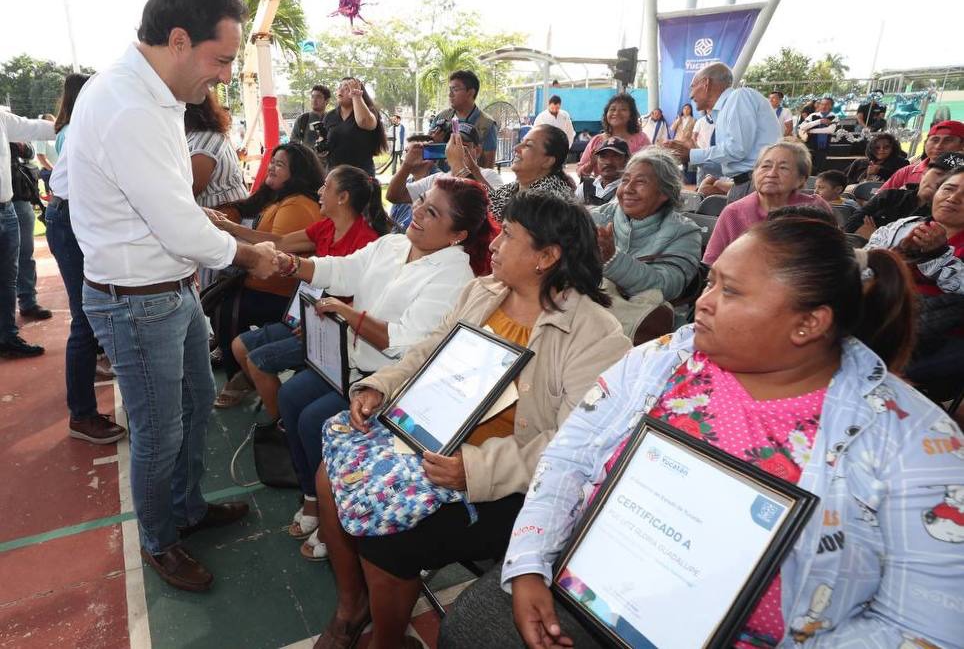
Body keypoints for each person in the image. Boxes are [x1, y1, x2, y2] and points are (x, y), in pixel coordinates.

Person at [441, 217, 963, 649]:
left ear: (808, 324)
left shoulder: (913, 444)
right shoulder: (663, 360)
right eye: (710, 281)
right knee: (469, 628)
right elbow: (569, 457)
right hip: (592, 592)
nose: (704, 302)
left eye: (729, 291)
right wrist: (531, 563)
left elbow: (923, 627)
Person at [313, 192, 631, 649]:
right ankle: (351, 607)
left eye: (510, 236)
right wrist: (380, 385)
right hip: (431, 434)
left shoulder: (596, 336)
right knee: (330, 475)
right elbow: (428, 350)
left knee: (390, 542)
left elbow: (570, 447)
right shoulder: (482, 291)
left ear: (546, 257)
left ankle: (387, 639)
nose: (495, 245)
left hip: (506, 479)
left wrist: (475, 470)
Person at [69, 0, 280, 591]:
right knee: (159, 432)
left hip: (169, 292)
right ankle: (160, 539)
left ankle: (186, 509)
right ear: (180, 40)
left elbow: (175, 205)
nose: (221, 74)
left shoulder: (153, 94)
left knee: (191, 409)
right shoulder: (129, 104)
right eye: (220, 60)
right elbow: (176, 227)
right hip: (137, 305)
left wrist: (216, 223)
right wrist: (251, 254)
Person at [270, 177, 497, 554]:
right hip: (352, 363)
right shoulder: (394, 243)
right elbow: (342, 270)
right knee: (291, 397)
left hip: (391, 383)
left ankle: (335, 518)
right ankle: (313, 494)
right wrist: (293, 264)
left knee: (314, 419)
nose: (418, 213)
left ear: (457, 234)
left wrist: (347, 312)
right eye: (422, 201)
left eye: (433, 212)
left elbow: (404, 341)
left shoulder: (455, 277)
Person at [226, 165, 388, 419]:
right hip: (310, 315)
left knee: (258, 361)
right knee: (239, 346)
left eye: (326, 187)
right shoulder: (325, 228)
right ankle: (281, 417)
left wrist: (322, 323)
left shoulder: (366, 242)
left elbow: (366, 303)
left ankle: (281, 424)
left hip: (336, 328)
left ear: (343, 197)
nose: (320, 192)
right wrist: (230, 227)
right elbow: (279, 242)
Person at [41, 74, 126, 444]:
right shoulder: (98, 122)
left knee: (88, 315)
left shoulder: (92, 119)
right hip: (70, 217)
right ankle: (82, 414)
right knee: (85, 318)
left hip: (70, 215)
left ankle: (83, 409)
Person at [208, 142, 324, 396]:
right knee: (222, 297)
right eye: (272, 161)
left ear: (297, 173)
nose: (271, 166)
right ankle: (235, 362)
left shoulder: (297, 204)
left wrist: (230, 231)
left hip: (284, 293)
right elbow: (251, 216)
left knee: (228, 305)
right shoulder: (276, 197)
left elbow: (277, 254)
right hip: (265, 283)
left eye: (280, 164)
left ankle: (239, 377)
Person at [865, 167, 964, 392]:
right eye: (948, 189)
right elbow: (863, 268)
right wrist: (898, 254)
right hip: (883, 317)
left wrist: (938, 256)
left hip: (941, 335)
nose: (953, 198)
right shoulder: (902, 226)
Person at [592, 148, 701, 334]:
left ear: (664, 192)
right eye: (625, 180)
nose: (628, 189)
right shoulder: (598, 217)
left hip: (646, 330)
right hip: (591, 318)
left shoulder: (684, 232)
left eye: (640, 182)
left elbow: (667, 286)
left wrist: (612, 259)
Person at [663, 62, 781, 203]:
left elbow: (737, 149)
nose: (690, 95)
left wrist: (692, 154)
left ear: (706, 83)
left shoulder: (739, 97)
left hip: (755, 185)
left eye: (692, 87)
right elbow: (726, 167)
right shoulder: (724, 111)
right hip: (744, 185)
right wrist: (690, 155)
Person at [703, 141, 832, 264]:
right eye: (765, 166)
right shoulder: (733, 213)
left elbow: (832, 261)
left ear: (800, 179)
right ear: (754, 174)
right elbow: (711, 263)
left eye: (783, 168)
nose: (772, 173)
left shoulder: (815, 209)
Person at [0, 109, 54, 358]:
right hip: (9, 208)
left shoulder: (2, 117)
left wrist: (73, 120)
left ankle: (7, 336)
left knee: (8, 276)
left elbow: (35, 129)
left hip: (8, 206)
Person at [386, 123, 503, 209]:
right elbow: (394, 196)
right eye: (452, 145)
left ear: (477, 151)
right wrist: (407, 165)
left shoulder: (488, 175)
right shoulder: (437, 178)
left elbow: (496, 208)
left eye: (463, 146)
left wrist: (470, 169)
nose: (456, 150)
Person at [845, 152, 963, 237]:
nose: (939, 181)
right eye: (938, 173)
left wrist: (876, 236)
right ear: (924, 172)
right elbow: (851, 225)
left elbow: (915, 253)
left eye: (948, 181)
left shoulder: (945, 214)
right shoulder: (890, 196)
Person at [489, 125, 575, 221]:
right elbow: (488, 202)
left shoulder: (547, 204)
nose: (516, 148)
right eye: (521, 142)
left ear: (547, 161)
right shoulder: (514, 187)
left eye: (528, 145)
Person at [9, 142, 52, 321]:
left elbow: (30, 151)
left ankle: (28, 302)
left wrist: (15, 145)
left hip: (19, 197)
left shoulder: (8, 123)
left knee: (25, 253)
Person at [184, 91, 248, 211]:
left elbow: (188, 192)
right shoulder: (205, 136)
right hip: (226, 214)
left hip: (224, 218)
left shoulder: (203, 143)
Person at [430, 70, 499, 166]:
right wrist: (436, 145)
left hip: (469, 180)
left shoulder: (486, 125)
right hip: (440, 178)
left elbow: (488, 166)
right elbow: (427, 158)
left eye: (455, 89)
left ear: (470, 93)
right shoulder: (441, 118)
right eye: (449, 90)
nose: (450, 95)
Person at [321, 77, 388, 176]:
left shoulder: (369, 111)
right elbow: (324, 141)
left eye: (347, 88)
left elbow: (364, 122)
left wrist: (356, 95)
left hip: (361, 176)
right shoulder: (330, 116)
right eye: (339, 87)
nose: (341, 90)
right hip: (334, 175)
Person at [575, 93, 650, 177]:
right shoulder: (597, 141)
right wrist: (591, 163)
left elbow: (650, 169)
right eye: (612, 109)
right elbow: (580, 173)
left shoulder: (641, 139)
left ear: (631, 115)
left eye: (623, 109)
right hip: (603, 189)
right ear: (606, 114)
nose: (616, 113)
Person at [878, 120, 964, 192]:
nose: (938, 146)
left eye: (948, 140)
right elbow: (877, 200)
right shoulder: (907, 172)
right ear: (925, 143)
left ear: (962, 145)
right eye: (935, 140)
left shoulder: (961, 176)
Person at [575, 137, 629, 206]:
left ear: (626, 160)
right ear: (596, 160)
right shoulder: (585, 187)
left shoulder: (629, 190)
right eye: (603, 156)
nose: (608, 162)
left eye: (615, 156)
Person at [797, 97, 838, 173]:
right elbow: (802, 127)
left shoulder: (834, 117)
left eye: (826, 104)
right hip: (810, 146)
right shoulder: (813, 116)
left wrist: (811, 131)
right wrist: (819, 121)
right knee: (807, 168)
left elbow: (829, 130)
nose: (823, 106)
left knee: (819, 169)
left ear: (831, 106)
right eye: (822, 104)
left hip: (823, 148)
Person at [291, 84, 331, 148]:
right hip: (307, 157)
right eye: (312, 97)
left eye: (318, 97)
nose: (314, 100)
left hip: (329, 157)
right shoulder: (302, 119)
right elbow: (293, 143)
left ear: (327, 101)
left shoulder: (332, 118)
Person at [33, 113, 58, 195]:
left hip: (58, 173)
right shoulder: (42, 137)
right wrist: (53, 171)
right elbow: (40, 156)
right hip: (52, 175)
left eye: (53, 122)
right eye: (49, 122)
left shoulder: (55, 136)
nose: (52, 124)